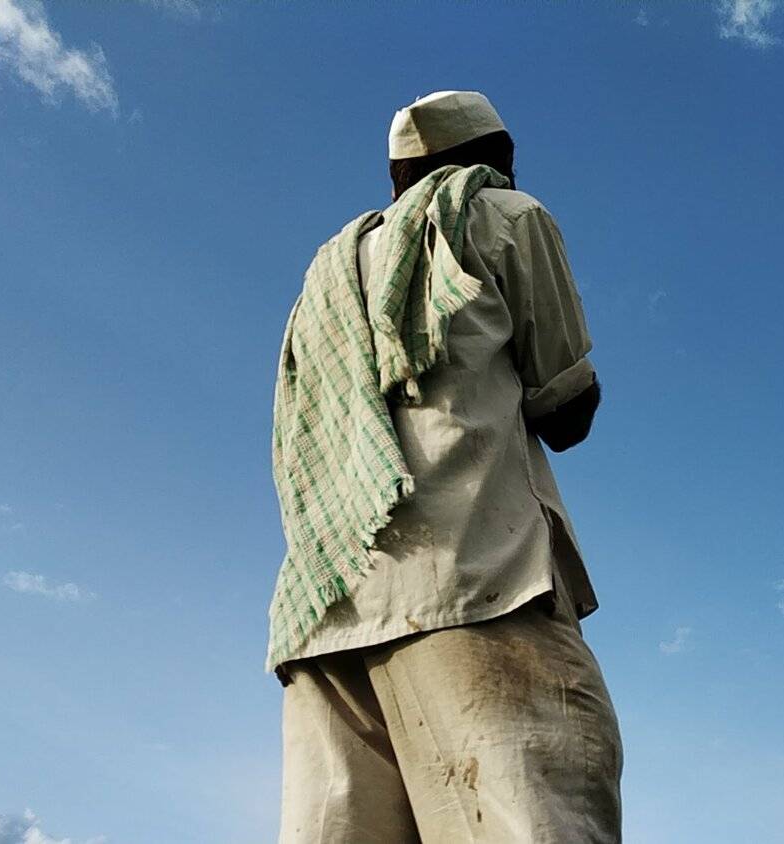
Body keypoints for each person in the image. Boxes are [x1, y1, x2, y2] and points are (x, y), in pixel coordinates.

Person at [269, 90, 622, 843]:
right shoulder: (501, 214)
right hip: (475, 581)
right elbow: (566, 408)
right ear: (496, 157)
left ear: (397, 178)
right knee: (534, 818)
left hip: (326, 615)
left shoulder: (326, 278)